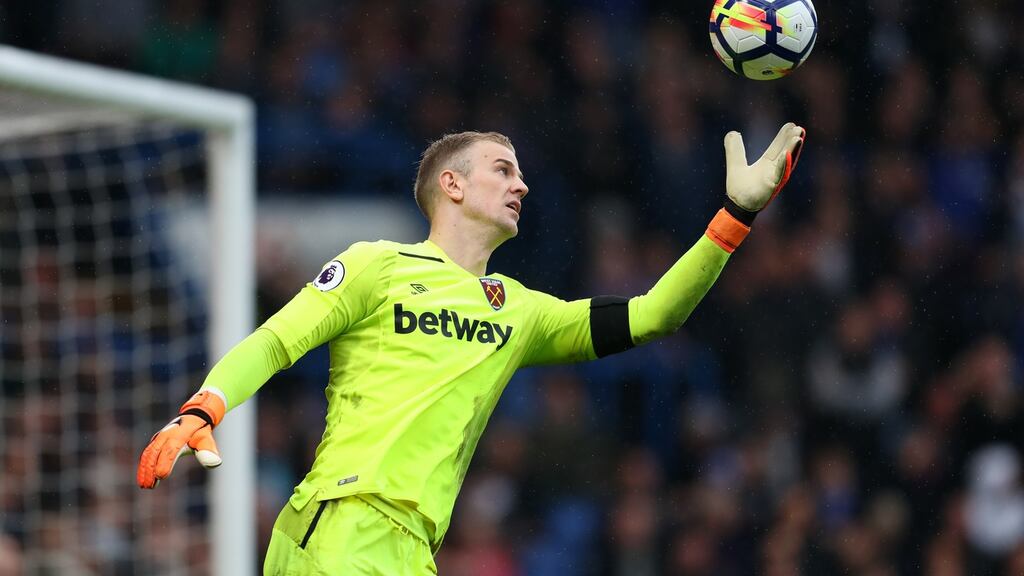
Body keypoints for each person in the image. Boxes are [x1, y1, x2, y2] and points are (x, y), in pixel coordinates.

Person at [137, 124, 806, 574]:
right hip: (343, 525)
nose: (521, 185)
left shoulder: (518, 309)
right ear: (452, 186)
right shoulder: (377, 265)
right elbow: (277, 340)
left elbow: (654, 316)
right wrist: (206, 406)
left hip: (416, 549)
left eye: (521, 174)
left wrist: (736, 216)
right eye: (502, 169)